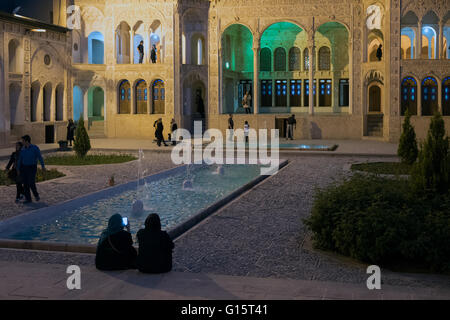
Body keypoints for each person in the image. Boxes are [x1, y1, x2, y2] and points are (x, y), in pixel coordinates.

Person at [17, 135, 45, 204]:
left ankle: (36, 195)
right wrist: (18, 168)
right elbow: (20, 159)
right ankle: (28, 199)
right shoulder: (22, 149)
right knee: (25, 184)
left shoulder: (35, 148)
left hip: (32, 167)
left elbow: (40, 157)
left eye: (23, 141)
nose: (22, 142)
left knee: (31, 182)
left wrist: (43, 166)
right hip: (24, 168)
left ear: (27, 141)